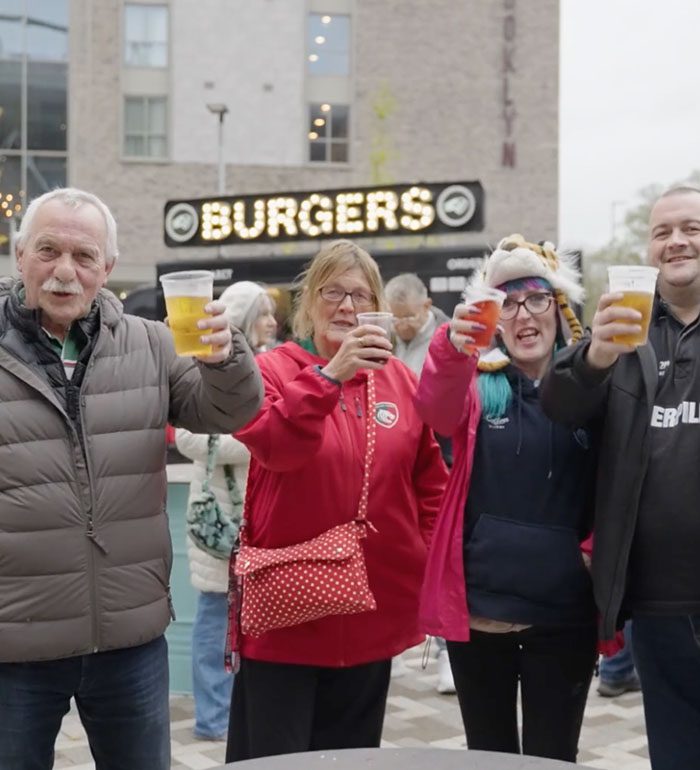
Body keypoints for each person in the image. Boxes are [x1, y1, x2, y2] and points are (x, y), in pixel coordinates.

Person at [0, 188, 263, 770]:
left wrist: (226, 357)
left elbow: (226, 413)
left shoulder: (153, 342)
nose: (65, 270)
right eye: (48, 250)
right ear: (20, 255)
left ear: (108, 269)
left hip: (129, 636)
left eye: (84, 256)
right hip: (13, 642)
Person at [225, 239, 448, 762]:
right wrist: (330, 377)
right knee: (276, 758)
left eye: (361, 295)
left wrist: (434, 577)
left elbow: (429, 486)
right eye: (333, 292)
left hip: (372, 611)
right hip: (287, 617)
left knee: (351, 757)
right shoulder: (272, 370)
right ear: (309, 301)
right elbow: (276, 447)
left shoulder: (399, 380)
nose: (347, 307)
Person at [415, 234, 598, 762]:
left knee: (552, 755)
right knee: (488, 756)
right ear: (494, 318)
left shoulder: (594, 388)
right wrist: (452, 346)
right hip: (482, 616)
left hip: (564, 615)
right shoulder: (477, 385)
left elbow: (618, 483)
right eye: (509, 303)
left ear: (558, 309)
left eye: (537, 299)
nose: (524, 315)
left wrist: (591, 550)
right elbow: (435, 409)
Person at [541, 185, 700, 770]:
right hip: (657, 600)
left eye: (691, 228)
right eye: (662, 232)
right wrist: (592, 358)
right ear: (649, 251)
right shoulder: (622, 334)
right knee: (677, 751)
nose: (677, 241)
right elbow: (557, 403)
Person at [176, 281, 277, 741]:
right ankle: (212, 718)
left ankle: (234, 710)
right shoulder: (203, 360)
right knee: (216, 617)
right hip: (220, 522)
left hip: (261, 520)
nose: (274, 322)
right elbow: (187, 436)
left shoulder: (276, 360)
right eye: (265, 313)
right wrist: (258, 439)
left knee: (251, 621)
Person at [385, 272, 455, 693]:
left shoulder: (448, 341)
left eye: (408, 319)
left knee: (442, 559)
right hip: (397, 460)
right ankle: (390, 644)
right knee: (393, 556)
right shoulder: (387, 337)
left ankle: (448, 652)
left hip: (439, 460)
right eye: (396, 319)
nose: (402, 326)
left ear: (426, 307)